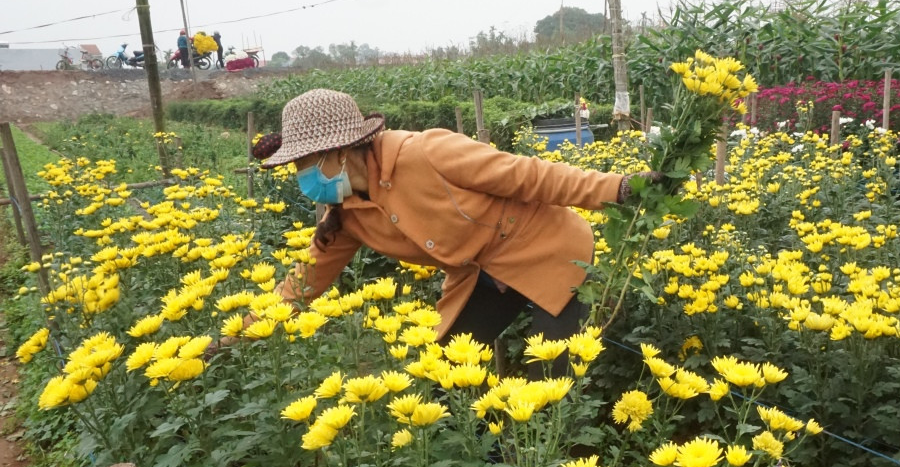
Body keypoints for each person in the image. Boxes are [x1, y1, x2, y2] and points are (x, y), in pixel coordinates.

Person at [251, 89, 661, 353]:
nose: (300, 175)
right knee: (446, 373)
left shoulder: (426, 153)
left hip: (549, 252)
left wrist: (619, 187)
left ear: (337, 151)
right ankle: (488, 466)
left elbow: (529, 176)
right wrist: (240, 334)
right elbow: (302, 284)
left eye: (303, 163)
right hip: (480, 276)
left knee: (551, 375)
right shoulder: (347, 215)